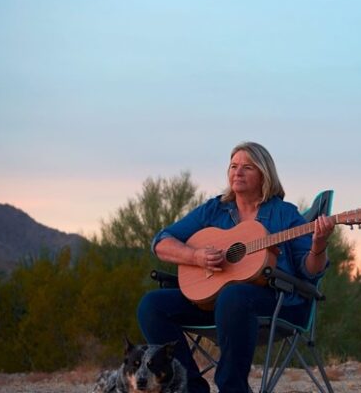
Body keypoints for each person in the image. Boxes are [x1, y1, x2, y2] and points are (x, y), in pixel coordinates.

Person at [137, 142, 335, 393]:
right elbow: (161, 242)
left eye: (247, 167)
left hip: (278, 303)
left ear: (264, 174)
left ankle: (233, 388)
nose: (237, 172)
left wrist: (319, 244)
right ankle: (190, 387)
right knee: (151, 305)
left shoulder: (285, 215)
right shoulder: (214, 209)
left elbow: (311, 271)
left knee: (234, 295)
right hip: (214, 303)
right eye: (233, 166)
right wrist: (195, 256)